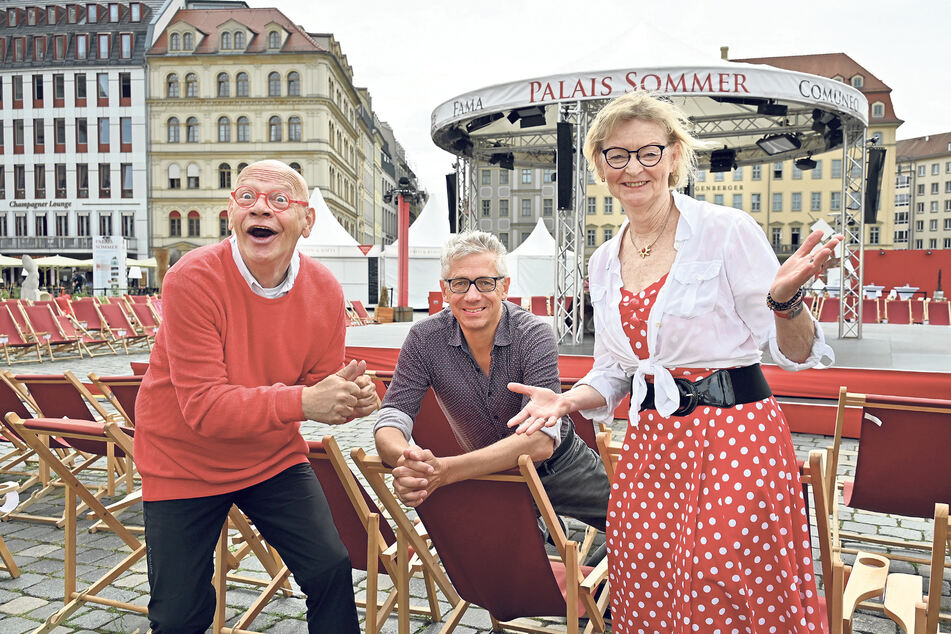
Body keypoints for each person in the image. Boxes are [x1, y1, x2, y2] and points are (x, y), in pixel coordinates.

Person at [507, 92, 841, 634]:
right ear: (598, 165)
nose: (633, 167)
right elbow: (615, 370)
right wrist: (568, 399)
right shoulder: (602, 259)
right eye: (617, 155)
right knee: (645, 571)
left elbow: (797, 353)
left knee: (721, 577)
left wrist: (785, 302)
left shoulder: (725, 230)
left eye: (648, 152)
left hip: (734, 436)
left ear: (674, 156)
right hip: (652, 443)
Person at [134, 160, 376, 633]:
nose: (259, 208)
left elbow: (323, 382)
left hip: (270, 456)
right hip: (180, 460)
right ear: (231, 213)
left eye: (279, 200)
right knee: (179, 614)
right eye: (247, 197)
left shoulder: (325, 288)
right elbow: (205, 409)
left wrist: (356, 397)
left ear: (307, 221)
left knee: (330, 566)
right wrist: (305, 402)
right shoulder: (192, 277)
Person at [374, 231, 610, 534]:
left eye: (485, 282)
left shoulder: (533, 334)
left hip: (562, 466)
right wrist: (408, 460)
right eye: (459, 283)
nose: (472, 296)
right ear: (444, 291)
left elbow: (540, 442)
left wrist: (444, 471)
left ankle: (581, 558)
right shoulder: (424, 339)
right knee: (508, 564)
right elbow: (393, 415)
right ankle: (554, 542)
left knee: (634, 530)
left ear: (504, 287)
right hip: (489, 473)